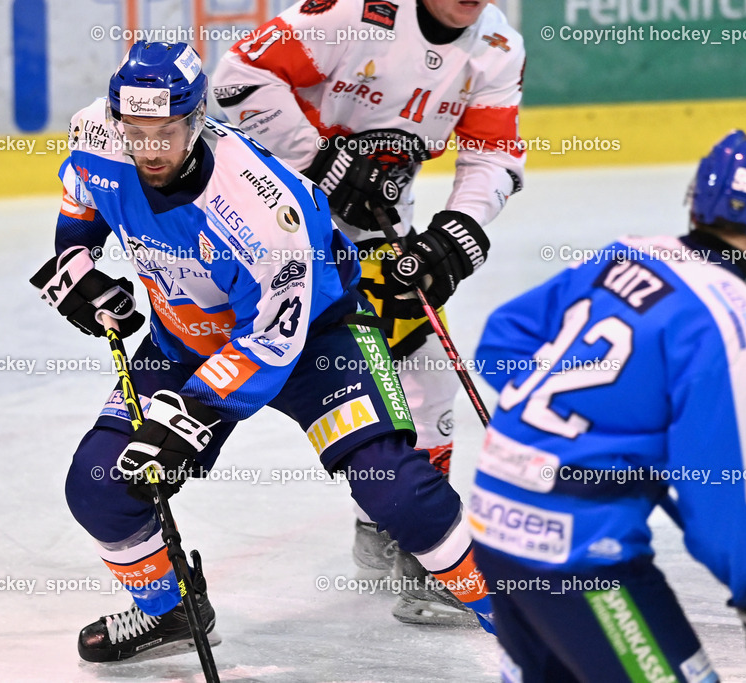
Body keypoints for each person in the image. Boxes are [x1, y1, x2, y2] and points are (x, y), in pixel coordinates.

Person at [29, 41, 494, 663]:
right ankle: (172, 612)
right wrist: (77, 266)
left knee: (396, 492)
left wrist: (191, 416)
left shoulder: (263, 208)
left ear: (198, 120)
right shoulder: (96, 134)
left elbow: (272, 340)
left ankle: (515, 612)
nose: (150, 148)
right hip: (181, 339)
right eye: (135, 131)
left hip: (315, 342)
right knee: (98, 488)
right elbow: (81, 206)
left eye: (167, 131)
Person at [468, 131, 746, 682]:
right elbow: (720, 496)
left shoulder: (623, 254)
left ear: (694, 201)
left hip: (494, 524)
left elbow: (503, 341)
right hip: (582, 556)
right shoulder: (742, 328)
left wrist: (574, 429)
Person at [211, 0, 526, 624]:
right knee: (310, 374)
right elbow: (236, 79)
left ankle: (406, 538)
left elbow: (492, 155)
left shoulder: (497, 48)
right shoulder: (354, 13)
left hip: (380, 233)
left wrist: (458, 232)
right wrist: (318, 157)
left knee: (426, 373)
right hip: (270, 221)